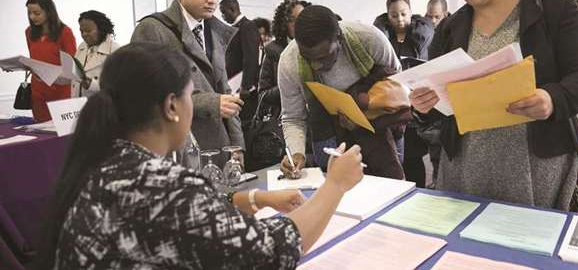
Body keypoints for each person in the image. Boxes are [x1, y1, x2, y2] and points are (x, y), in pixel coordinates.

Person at [35, 43, 364, 269]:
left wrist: (256, 197)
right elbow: (270, 252)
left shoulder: (101, 161)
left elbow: (175, 220)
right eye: (192, 96)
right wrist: (334, 185)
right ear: (172, 106)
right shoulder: (163, 183)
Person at [410, 0, 578, 210]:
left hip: (537, 165)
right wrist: (423, 106)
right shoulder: (450, 28)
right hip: (466, 165)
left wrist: (551, 98)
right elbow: (440, 102)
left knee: (532, 246)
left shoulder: (553, 9)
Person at [131, 0, 244, 166]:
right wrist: (210, 102)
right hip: (180, 152)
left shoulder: (215, 31)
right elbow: (144, 96)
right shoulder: (152, 29)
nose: (213, 0)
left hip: (221, 149)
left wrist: (237, 147)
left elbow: (226, 93)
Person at [278, 5, 406, 179]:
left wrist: (364, 113)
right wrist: (296, 153)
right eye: (308, 58)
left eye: (324, 56)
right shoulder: (289, 61)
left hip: (381, 126)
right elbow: (293, 117)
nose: (316, 65)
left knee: (390, 185)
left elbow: (398, 86)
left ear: (339, 38)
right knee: (334, 186)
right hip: (326, 129)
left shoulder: (369, 38)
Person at [373, 0, 435, 186]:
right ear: (387, 16)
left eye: (403, 14)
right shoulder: (381, 39)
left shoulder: (424, 37)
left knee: (414, 156)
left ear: (411, 12)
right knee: (392, 157)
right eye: (394, 15)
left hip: (416, 104)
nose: (400, 19)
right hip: (390, 104)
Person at [25, 0, 77, 122]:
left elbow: (72, 67)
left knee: (61, 137)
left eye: (36, 13)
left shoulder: (65, 32)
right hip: (38, 92)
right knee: (41, 135)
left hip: (60, 93)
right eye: (29, 13)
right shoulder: (29, 32)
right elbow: (35, 59)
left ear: (49, 11)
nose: (32, 17)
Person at [258, 0, 311, 109]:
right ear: (284, 23)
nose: (298, 24)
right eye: (292, 20)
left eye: (301, 19)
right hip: (285, 116)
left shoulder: (315, 47)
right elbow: (263, 95)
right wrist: (289, 84)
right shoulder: (272, 50)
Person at [71, 10, 120, 98]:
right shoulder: (82, 47)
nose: (84, 35)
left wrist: (91, 85)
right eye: (81, 31)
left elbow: (119, 87)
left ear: (101, 30)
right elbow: (73, 76)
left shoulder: (115, 50)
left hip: (101, 106)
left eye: (88, 31)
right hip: (77, 106)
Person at [221, 0, 260, 93]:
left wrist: (246, 85)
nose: (222, 16)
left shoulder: (247, 26)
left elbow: (251, 58)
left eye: (223, 12)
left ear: (232, 9)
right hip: (233, 84)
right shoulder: (236, 28)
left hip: (242, 86)